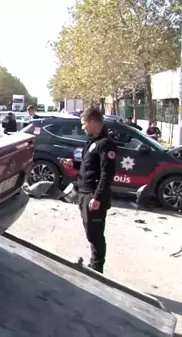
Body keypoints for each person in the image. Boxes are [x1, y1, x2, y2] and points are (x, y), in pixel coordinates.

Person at [61, 107, 116, 273]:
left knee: (95, 234)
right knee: (90, 231)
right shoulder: (93, 142)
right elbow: (91, 166)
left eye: (84, 123)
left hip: (94, 195)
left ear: (92, 122)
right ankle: (94, 264)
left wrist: (97, 197)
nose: (83, 127)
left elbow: (107, 174)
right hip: (85, 193)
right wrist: (74, 164)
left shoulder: (106, 144)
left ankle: (97, 268)